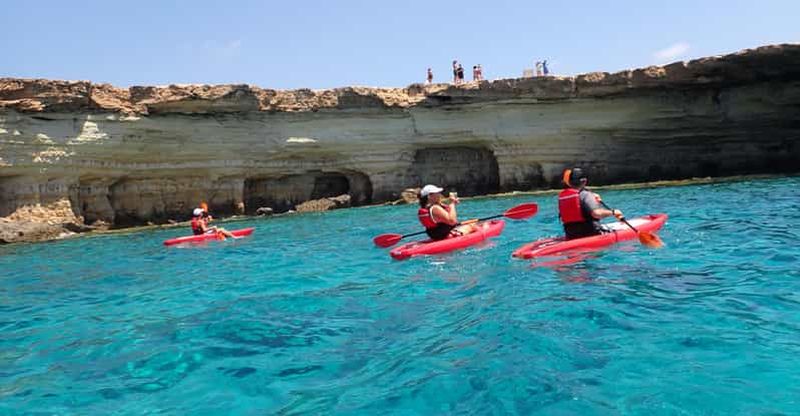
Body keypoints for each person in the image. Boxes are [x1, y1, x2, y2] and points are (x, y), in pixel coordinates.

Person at [558, 168, 624, 239]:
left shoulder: (562, 197)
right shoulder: (585, 195)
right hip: (590, 233)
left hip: (571, 235)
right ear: (585, 181)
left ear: (569, 182)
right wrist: (613, 212)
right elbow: (596, 214)